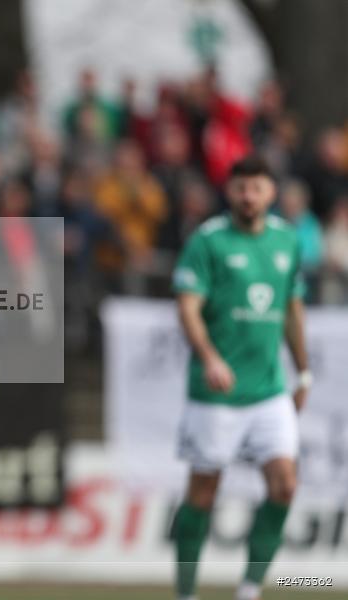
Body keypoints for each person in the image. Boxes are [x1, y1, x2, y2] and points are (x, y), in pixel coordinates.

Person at [171, 155, 311, 600]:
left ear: (271, 193)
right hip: (217, 395)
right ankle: (186, 592)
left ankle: (249, 590)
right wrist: (210, 357)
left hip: (269, 390)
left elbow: (291, 309)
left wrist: (303, 372)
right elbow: (188, 306)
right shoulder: (208, 241)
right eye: (240, 188)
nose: (248, 196)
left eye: (256, 188)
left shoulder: (287, 241)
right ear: (229, 192)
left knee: (285, 485)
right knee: (202, 494)